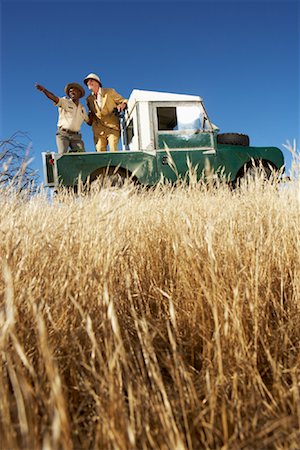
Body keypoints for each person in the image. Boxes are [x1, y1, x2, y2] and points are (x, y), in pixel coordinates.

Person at [35, 82, 90, 154]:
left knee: (82, 155)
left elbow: (89, 122)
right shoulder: (65, 102)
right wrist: (44, 90)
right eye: (70, 91)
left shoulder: (82, 108)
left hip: (76, 137)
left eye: (74, 90)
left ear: (79, 93)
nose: (72, 92)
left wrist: (91, 108)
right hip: (63, 134)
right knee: (63, 155)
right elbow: (54, 98)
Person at [84, 73, 127, 152]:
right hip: (98, 129)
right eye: (87, 82)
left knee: (113, 150)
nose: (88, 83)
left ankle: (114, 164)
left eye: (91, 80)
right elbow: (91, 116)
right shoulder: (89, 99)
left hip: (112, 127)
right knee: (100, 151)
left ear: (98, 83)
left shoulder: (109, 92)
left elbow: (124, 101)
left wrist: (121, 106)